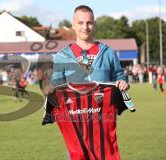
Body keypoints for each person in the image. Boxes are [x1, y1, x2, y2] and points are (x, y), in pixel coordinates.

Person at [43, 5, 130, 160]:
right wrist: (50, 88)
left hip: (103, 123)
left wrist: (122, 82)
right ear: (73, 25)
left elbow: (119, 75)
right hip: (76, 125)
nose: (85, 27)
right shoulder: (63, 57)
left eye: (89, 23)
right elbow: (56, 87)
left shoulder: (108, 52)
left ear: (94, 24)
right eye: (81, 23)